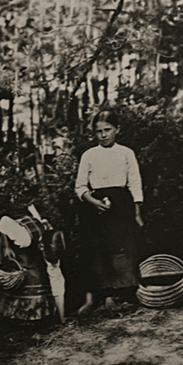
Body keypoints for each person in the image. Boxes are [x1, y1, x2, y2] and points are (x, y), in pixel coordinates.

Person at [73, 107, 144, 316]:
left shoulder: (126, 153)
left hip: (121, 206)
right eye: (99, 131)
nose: (103, 135)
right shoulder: (89, 155)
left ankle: (120, 295)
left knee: (120, 249)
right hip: (94, 208)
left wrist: (137, 212)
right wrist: (93, 201)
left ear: (117, 130)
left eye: (108, 130)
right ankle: (100, 296)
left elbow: (135, 183)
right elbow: (79, 186)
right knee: (96, 250)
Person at [0, 203, 65, 323]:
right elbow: (4, 221)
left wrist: (62, 318)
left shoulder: (53, 247)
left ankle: (28, 316)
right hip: (13, 238)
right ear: (41, 246)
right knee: (13, 275)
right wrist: (6, 246)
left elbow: (57, 284)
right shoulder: (23, 238)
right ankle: (5, 317)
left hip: (31, 245)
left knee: (36, 276)